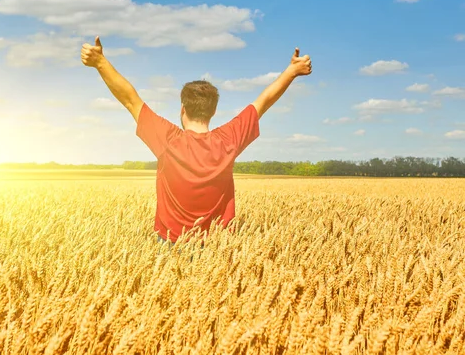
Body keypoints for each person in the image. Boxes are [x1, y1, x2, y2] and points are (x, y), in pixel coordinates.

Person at [81, 36, 312, 244]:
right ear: (213, 111)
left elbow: (130, 99)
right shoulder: (228, 140)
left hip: (170, 244)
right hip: (218, 247)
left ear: (183, 109)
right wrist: (292, 71)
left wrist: (100, 62)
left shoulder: (167, 139)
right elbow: (263, 102)